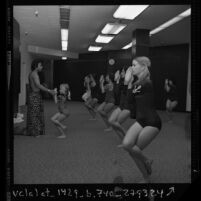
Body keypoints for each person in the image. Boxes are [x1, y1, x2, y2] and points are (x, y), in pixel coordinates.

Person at [118, 56, 162, 183]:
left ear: (143, 67)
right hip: (141, 120)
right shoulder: (136, 83)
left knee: (135, 150)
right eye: (131, 65)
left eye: (134, 65)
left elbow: (140, 88)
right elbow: (129, 102)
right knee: (127, 145)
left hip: (153, 122)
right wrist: (129, 83)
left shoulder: (147, 82)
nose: (132, 68)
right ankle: (146, 162)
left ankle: (146, 171)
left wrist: (128, 82)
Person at [27, 59, 55, 137]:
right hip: (34, 96)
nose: (42, 67)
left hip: (36, 95)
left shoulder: (34, 73)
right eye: (40, 65)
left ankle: (37, 131)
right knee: (35, 114)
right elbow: (38, 85)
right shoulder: (34, 74)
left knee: (37, 114)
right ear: (36, 66)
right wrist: (49, 91)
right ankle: (35, 133)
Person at [108, 67, 135, 138]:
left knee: (116, 123)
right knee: (111, 121)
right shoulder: (122, 82)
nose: (121, 73)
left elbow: (130, 98)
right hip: (121, 106)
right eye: (121, 72)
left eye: (123, 72)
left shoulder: (133, 83)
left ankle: (127, 136)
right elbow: (116, 94)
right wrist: (117, 81)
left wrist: (129, 84)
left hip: (128, 108)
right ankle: (123, 138)